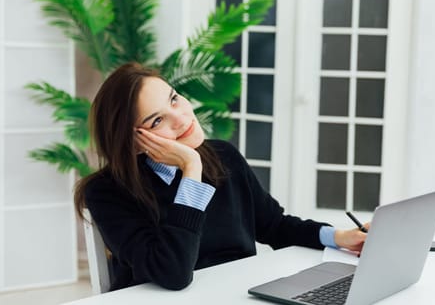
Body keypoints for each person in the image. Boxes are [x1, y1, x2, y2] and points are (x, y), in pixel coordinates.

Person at [74, 62, 368, 291]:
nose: (182, 118)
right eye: (158, 120)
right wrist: (191, 171)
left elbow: (274, 226)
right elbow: (173, 273)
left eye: (174, 99)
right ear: (134, 142)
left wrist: (339, 237)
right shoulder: (107, 191)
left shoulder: (224, 156)